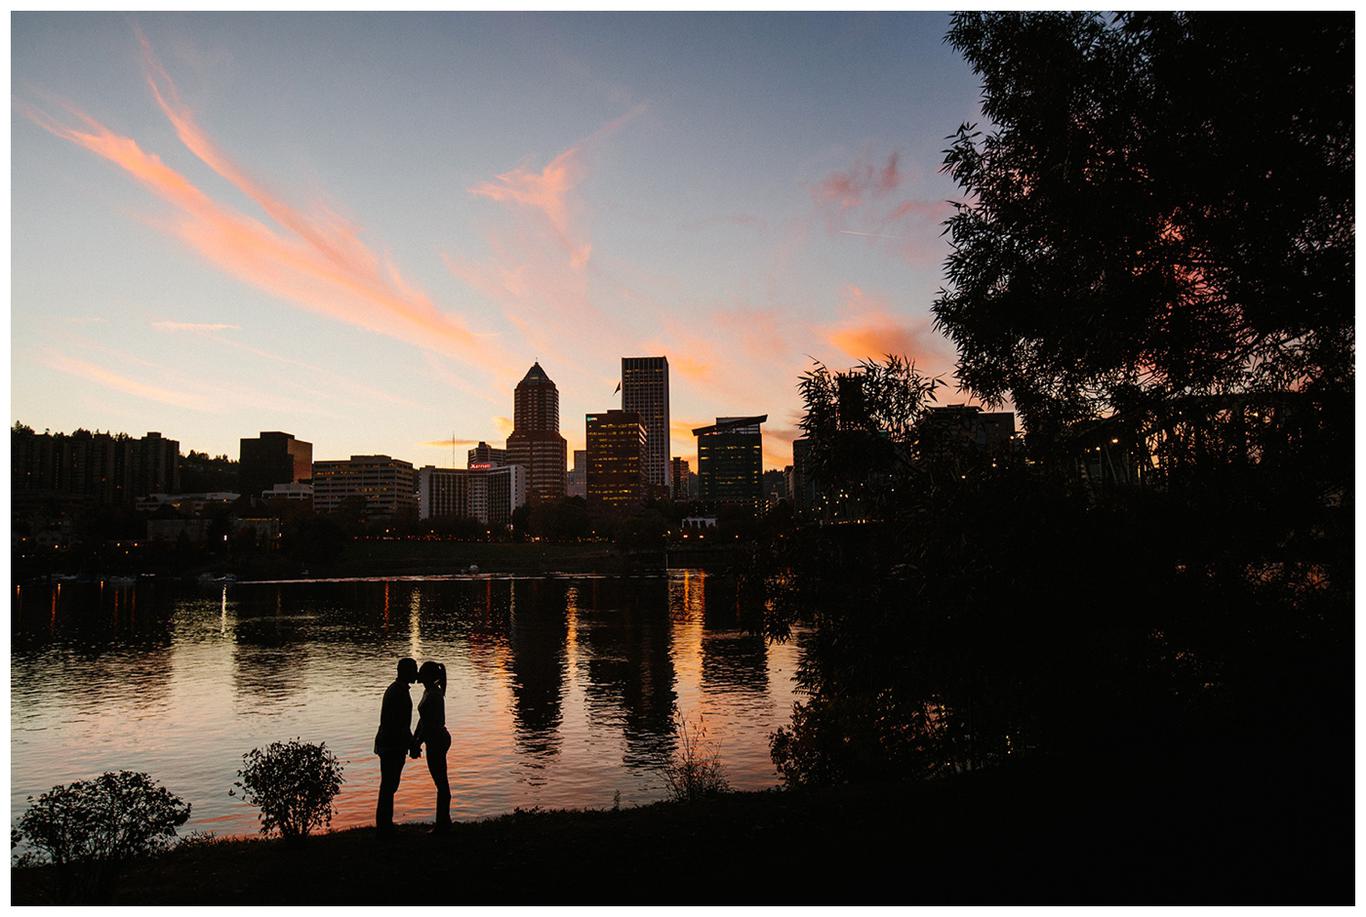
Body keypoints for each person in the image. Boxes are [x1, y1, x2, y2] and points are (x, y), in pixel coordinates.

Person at [373, 657, 418, 832]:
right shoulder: (398, 692)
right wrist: (412, 743)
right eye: (414, 670)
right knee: (389, 785)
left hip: (390, 743)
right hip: (391, 745)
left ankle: (385, 824)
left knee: (389, 785)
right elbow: (400, 724)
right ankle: (384, 826)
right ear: (405, 672)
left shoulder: (397, 690)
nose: (416, 673)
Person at [412, 660, 451, 833]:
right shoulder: (429, 691)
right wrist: (415, 739)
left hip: (437, 739)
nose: (418, 674)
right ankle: (443, 821)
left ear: (428, 676)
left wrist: (417, 743)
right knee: (439, 780)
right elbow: (423, 720)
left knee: (441, 781)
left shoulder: (434, 695)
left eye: (421, 671)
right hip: (433, 738)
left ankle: (442, 824)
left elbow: (429, 724)